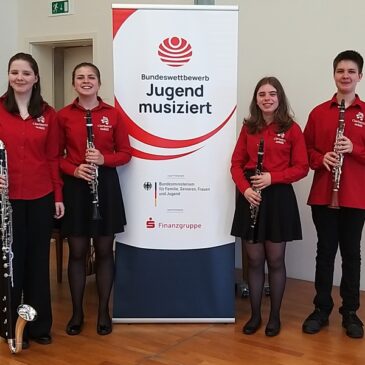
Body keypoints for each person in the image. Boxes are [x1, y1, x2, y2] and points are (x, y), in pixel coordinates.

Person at [57, 62, 131, 336]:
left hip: (106, 186)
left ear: (99, 83)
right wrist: (75, 169)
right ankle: (77, 313)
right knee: (76, 253)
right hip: (76, 188)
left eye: (91, 77)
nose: (86, 81)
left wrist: (103, 159)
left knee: (103, 252)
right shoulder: (63, 115)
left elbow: (125, 153)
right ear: (73, 84)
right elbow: (56, 157)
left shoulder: (112, 115)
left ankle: (103, 312)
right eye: (80, 77)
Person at [231, 76, 308, 337]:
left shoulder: (292, 129)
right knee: (253, 261)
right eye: (262, 94)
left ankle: (274, 317)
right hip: (252, 196)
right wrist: (246, 189)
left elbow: (302, 167)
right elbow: (236, 164)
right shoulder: (249, 128)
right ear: (256, 99)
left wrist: (272, 178)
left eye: (272, 94)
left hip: (277, 199)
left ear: (279, 97)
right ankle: (255, 315)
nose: (267, 98)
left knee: (275, 260)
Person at [0, 52, 64, 349]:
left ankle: (38, 327)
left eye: (26, 73)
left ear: (36, 78)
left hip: (40, 198)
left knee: (38, 264)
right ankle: (11, 328)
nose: (20, 77)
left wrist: (58, 196)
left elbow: (53, 158)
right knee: (11, 264)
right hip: (6, 200)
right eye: (15, 72)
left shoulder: (48, 114)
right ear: (9, 76)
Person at [302, 50, 365, 339]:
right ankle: (321, 309)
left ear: (360, 76)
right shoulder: (318, 112)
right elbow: (305, 151)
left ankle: (350, 312)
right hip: (324, 195)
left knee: (351, 255)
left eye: (351, 71)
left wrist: (356, 150)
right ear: (334, 74)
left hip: (355, 196)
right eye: (341, 71)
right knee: (325, 254)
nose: (345, 76)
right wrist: (320, 158)